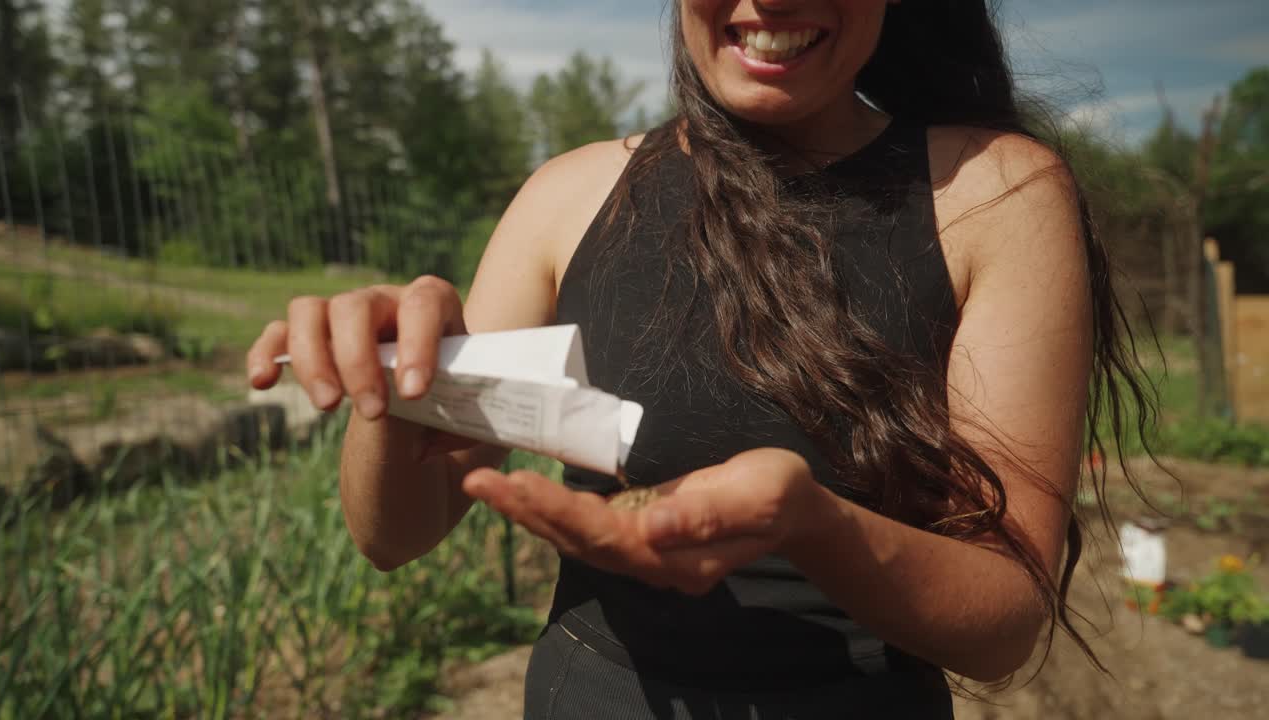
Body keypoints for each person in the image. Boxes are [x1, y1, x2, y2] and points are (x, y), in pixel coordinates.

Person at [246, 1, 1154, 717]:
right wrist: (396, 386)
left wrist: (812, 523)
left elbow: (1002, 624)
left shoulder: (994, 191)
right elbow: (394, 535)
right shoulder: (569, 195)